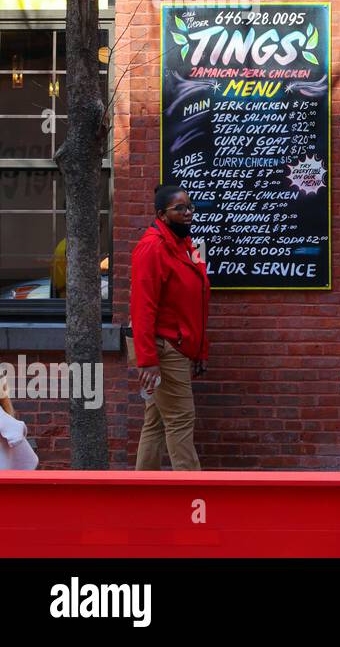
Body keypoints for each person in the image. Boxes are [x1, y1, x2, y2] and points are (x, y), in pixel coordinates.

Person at [131, 185, 210, 471]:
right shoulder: (152, 248)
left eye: (190, 207)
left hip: (175, 344)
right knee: (180, 419)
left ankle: (144, 494)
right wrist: (148, 361)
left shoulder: (182, 244)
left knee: (156, 420)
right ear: (161, 215)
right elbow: (142, 308)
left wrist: (199, 350)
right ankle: (191, 495)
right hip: (162, 347)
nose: (188, 213)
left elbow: (195, 300)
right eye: (180, 208)